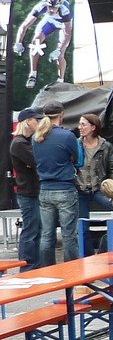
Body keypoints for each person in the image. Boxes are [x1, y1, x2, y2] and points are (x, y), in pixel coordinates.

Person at [31, 100, 82, 265]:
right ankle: (71, 271)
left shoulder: (36, 137)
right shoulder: (67, 136)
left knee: (47, 235)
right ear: (62, 114)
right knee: (69, 235)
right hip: (65, 188)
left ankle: (47, 270)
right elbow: (78, 160)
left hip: (45, 189)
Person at [12, 0, 72, 89]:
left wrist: (59, 50)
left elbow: (67, 34)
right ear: (46, 3)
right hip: (49, 21)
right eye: (49, 7)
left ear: (59, 5)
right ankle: (33, 75)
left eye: (54, 7)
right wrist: (18, 42)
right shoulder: (40, 6)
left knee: (60, 54)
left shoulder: (65, 10)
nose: (51, 10)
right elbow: (25, 25)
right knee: (35, 43)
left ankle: (60, 80)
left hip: (62, 24)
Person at [10, 107, 43, 270]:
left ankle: (34, 264)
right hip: (27, 192)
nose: (39, 123)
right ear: (27, 122)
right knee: (31, 230)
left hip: (31, 191)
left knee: (36, 229)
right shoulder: (19, 143)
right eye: (37, 120)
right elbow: (37, 161)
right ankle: (28, 266)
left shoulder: (26, 142)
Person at [76, 113, 113, 220]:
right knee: (82, 222)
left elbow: (112, 168)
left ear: (93, 127)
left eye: (83, 124)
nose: (79, 127)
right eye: (79, 124)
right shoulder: (76, 144)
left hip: (99, 188)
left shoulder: (106, 146)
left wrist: (112, 187)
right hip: (80, 189)